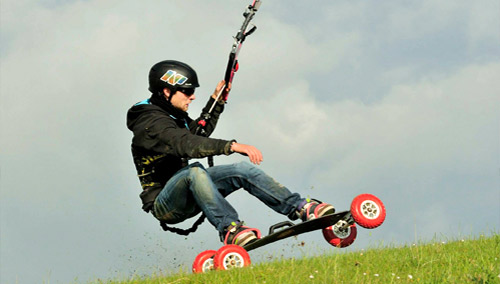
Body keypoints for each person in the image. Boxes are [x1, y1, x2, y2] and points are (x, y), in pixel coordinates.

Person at [127, 60, 334, 246]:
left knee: (241, 170)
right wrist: (232, 146)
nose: (192, 96)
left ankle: (299, 207)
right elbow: (187, 144)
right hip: (167, 203)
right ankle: (230, 229)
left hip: (192, 190)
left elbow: (198, 134)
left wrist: (217, 100)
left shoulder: (172, 115)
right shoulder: (150, 122)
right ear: (166, 91)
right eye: (187, 91)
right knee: (194, 171)